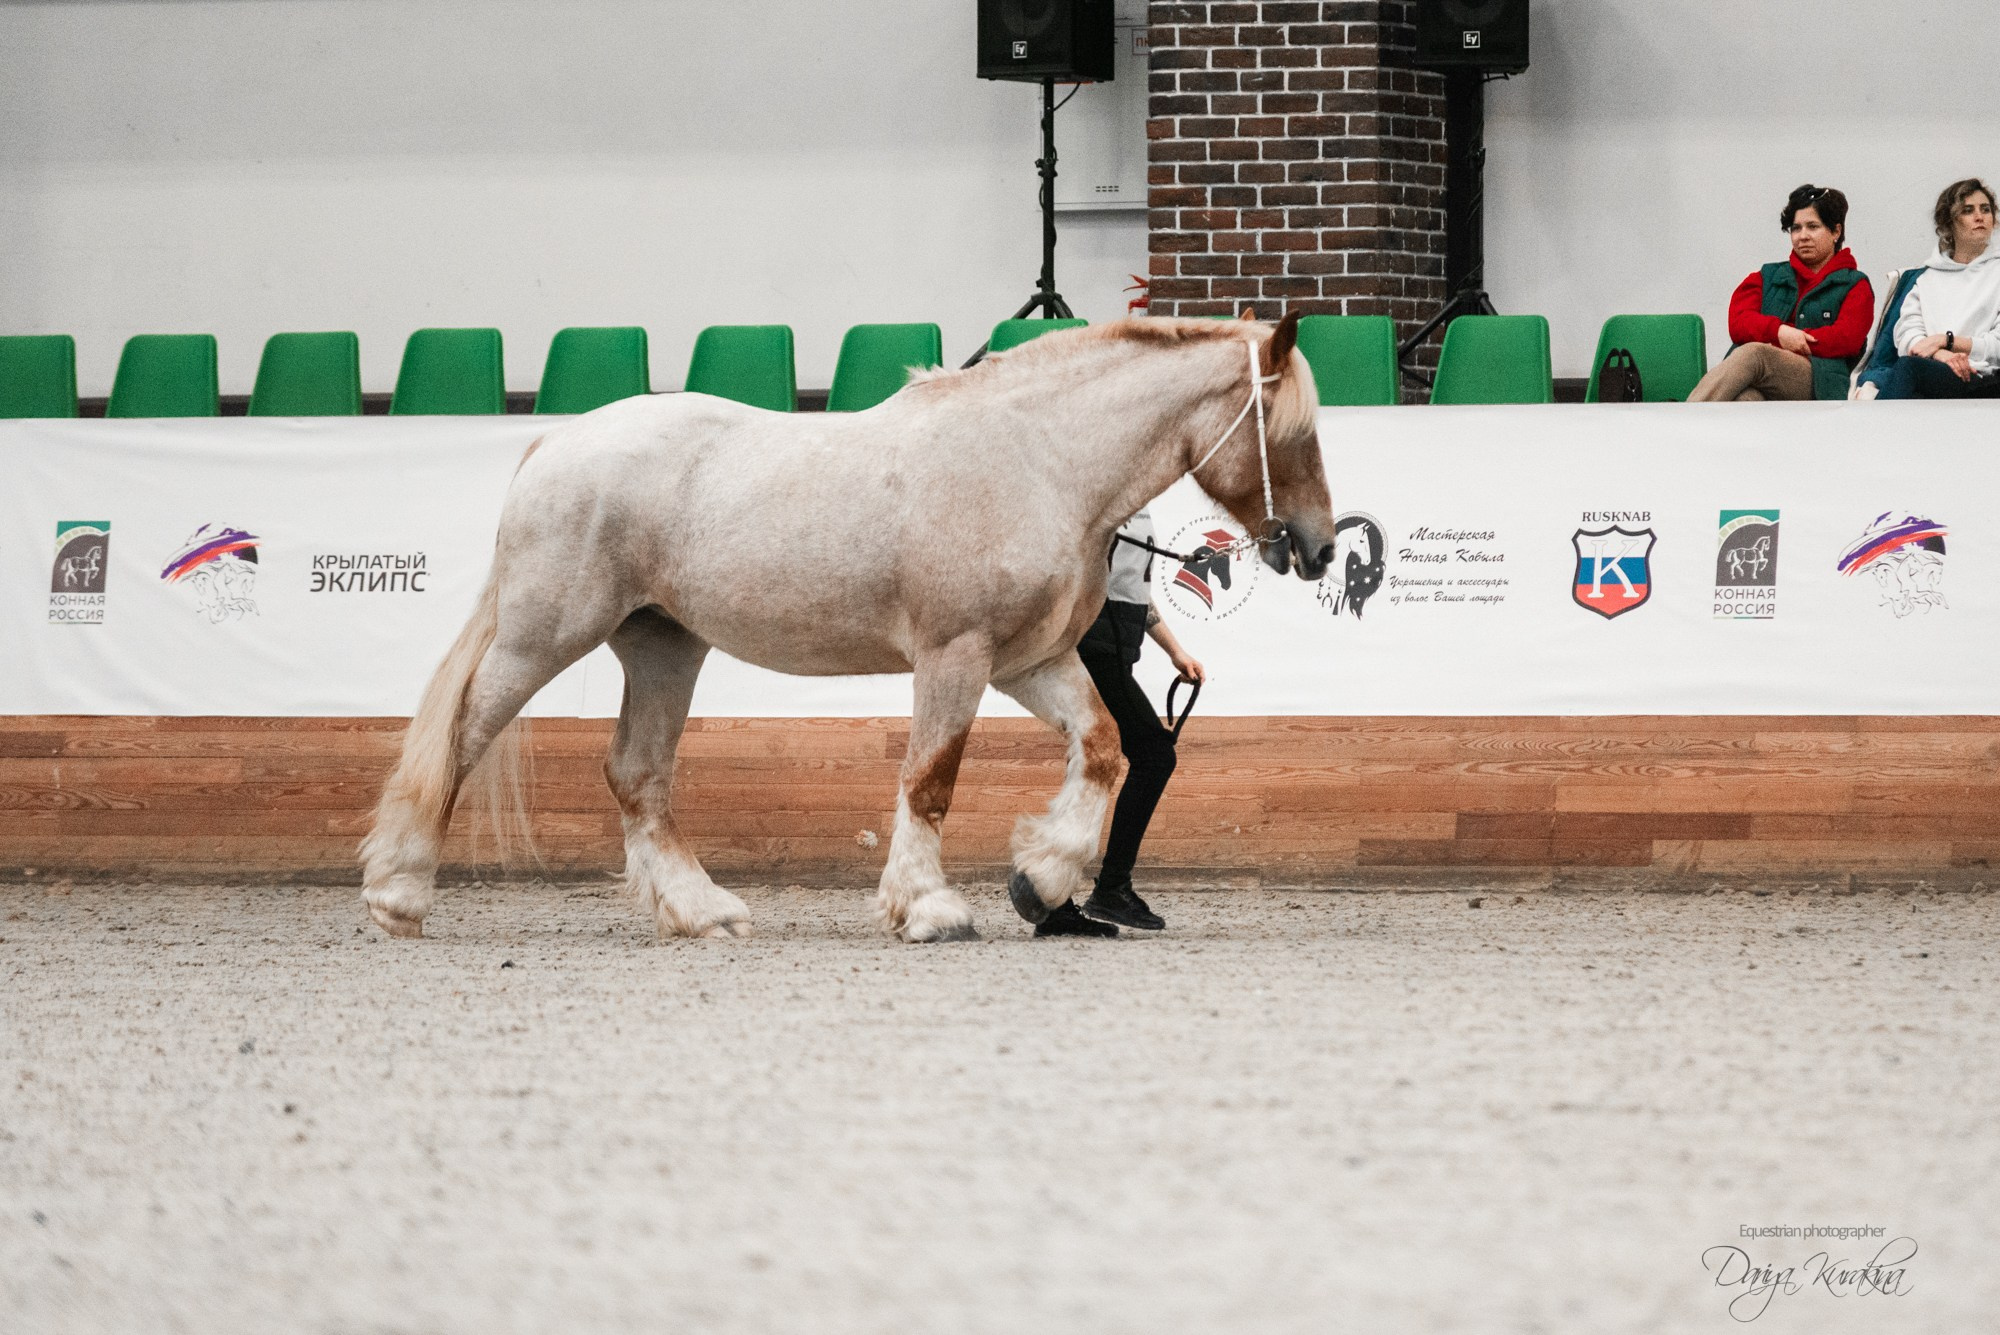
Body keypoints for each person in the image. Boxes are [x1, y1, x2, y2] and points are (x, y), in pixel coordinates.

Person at [1034, 507, 1206, 938]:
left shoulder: (1139, 511)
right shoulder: (1103, 505)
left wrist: (1175, 651)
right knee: (1154, 756)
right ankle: (1110, 888)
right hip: (1094, 651)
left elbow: (1133, 592)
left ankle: (1055, 902)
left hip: (1116, 653)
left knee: (1090, 763)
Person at [1687, 184, 1874, 402]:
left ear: (1836, 232)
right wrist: (1779, 333)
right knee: (1746, 399)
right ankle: (1691, 421)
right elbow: (1738, 322)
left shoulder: (1854, 284)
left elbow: (1847, 339)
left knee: (1755, 354)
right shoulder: (1767, 276)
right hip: (1763, 377)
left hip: (1820, 380)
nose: (1803, 236)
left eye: (1813, 227)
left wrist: (1791, 339)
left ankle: (1683, 417)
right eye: (1796, 228)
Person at [1869, 178, 2000, 399]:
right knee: (1905, 371)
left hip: (1985, 376)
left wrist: (1947, 341)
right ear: (1948, 223)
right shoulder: (1926, 278)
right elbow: (1907, 334)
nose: (1980, 217)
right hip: (1938, 368)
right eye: (1968, 210)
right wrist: (1941, 355)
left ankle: (1872, 422)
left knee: (1908, 370)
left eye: (1985, 209)